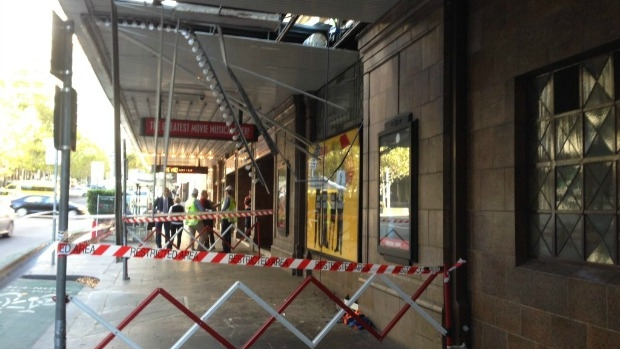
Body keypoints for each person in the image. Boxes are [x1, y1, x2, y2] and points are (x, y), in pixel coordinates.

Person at [220, 185, 237, 253]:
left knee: (224, 234)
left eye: (225, 191)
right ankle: (228, 249)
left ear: (227, 192)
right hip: (230, 219)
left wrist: (220, 213)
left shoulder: (227, 199)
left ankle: (225, 249)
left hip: (225, 219)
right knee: (228, 235)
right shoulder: (233, 199)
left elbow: (224, 208)